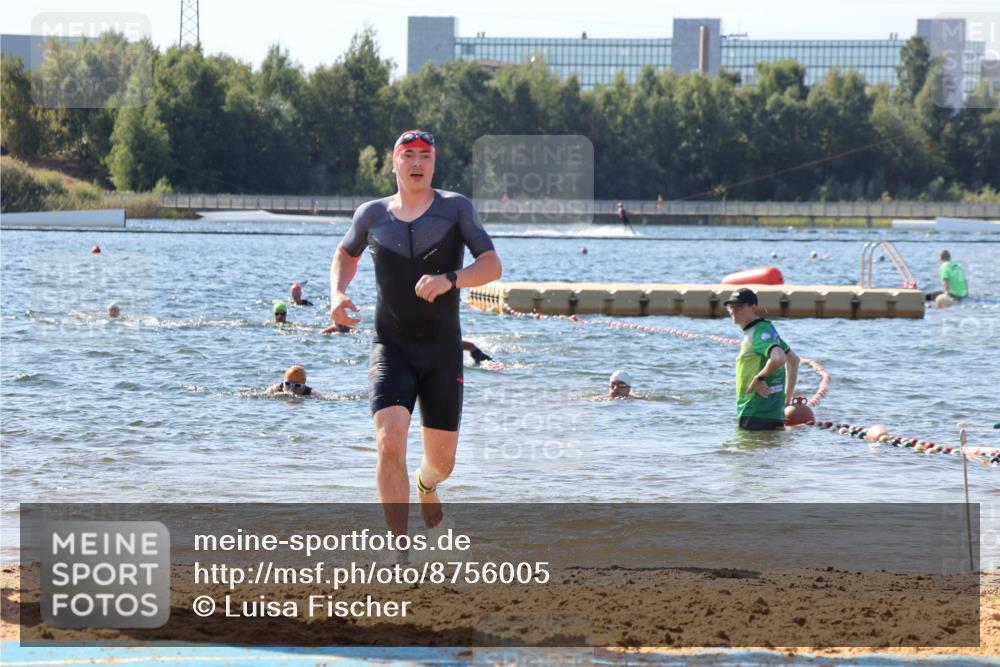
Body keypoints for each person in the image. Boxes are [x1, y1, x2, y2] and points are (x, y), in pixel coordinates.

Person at [328, 129, 503, 537]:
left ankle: (427, 486)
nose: (417, 163)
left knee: (442, 464)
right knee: (390, 440)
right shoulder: (372, 215)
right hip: (391, 346)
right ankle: (398, 548)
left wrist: (451, 278)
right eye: (408, 155)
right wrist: (337, 293)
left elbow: (492, 265)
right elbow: (344, 254)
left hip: (441, 350)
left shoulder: (455, 209)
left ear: (434, 164)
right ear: (394, 164)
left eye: (425, 155)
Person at [724, 288, 799, 431]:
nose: (734, 311)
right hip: (773, 411)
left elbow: (779, 358)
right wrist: (787, 400)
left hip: (755, 410)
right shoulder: (766, 329)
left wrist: (759, 377)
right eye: (731, 307)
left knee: (746, 451)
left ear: (753, 307)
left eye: (739, 306)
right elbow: (794, 360)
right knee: (767, 450)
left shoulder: (758, 331)